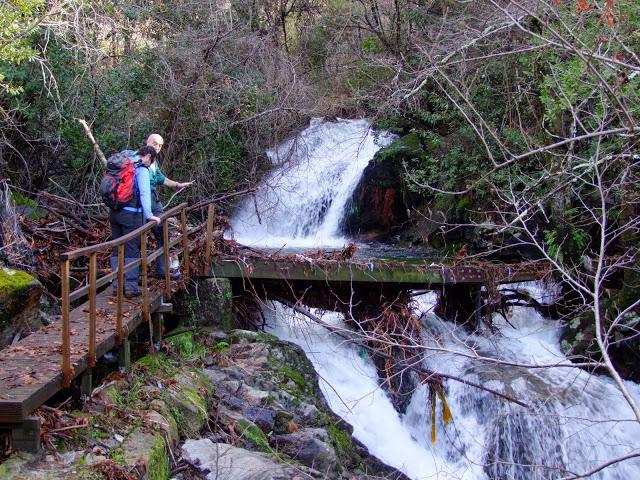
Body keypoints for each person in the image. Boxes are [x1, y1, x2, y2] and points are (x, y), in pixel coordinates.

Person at [109, 146, 160, 297]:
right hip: (131, 215)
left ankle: (117, 285)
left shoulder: (121, 164)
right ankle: (131, 287)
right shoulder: (141, 169)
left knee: (116, 248)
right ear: (149, 157)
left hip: (114, 213)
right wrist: (149, 214)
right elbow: (144, 193)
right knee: (132, 249)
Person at [145, 133, 193, 278]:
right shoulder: (139, 159)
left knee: (163, 233)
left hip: (154, 201)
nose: (157, 147)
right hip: (142, 202)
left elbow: (162, 179)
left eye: (160, 145)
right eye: (155, 144)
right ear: (147, 142)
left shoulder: (154, 162)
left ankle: (161, 271)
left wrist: (178, 184)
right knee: (137, 237)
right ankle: (134, 278)